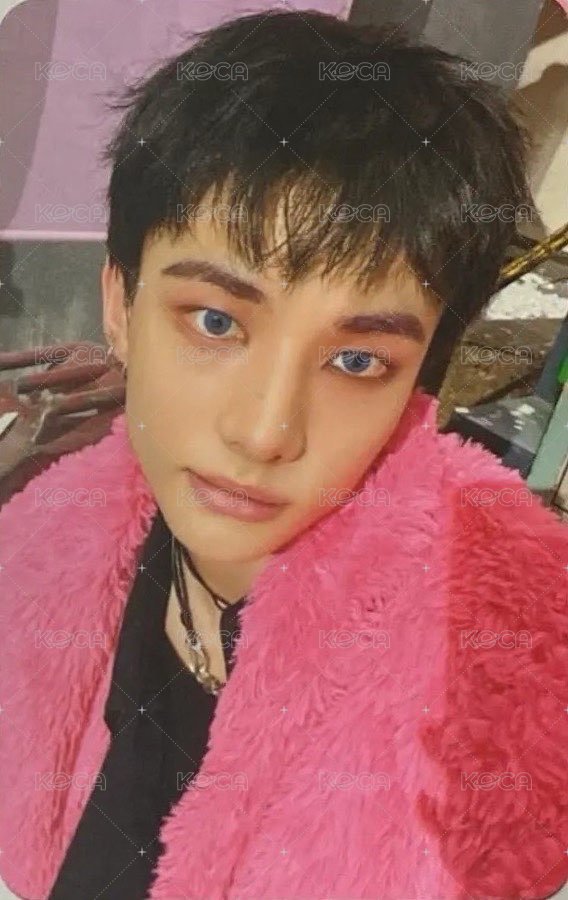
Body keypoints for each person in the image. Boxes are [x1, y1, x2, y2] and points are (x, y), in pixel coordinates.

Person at [1, 9, 567, 900]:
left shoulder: (503, 681)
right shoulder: (37, 553)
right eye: (215, 321)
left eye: (356, 361)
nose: (266, 432)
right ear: (120, 304)